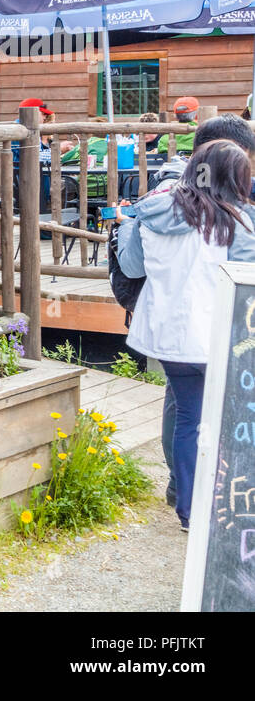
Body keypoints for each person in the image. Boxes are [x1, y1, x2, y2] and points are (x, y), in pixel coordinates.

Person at [115, 140, 255, 531]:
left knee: (189, 419)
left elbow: (131, 266)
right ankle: (228, 500)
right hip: (220, 334)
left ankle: (190, 510)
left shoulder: (154, 212)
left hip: (169, 334)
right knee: (229, 418)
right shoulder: (239, 223)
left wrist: (127, 226)